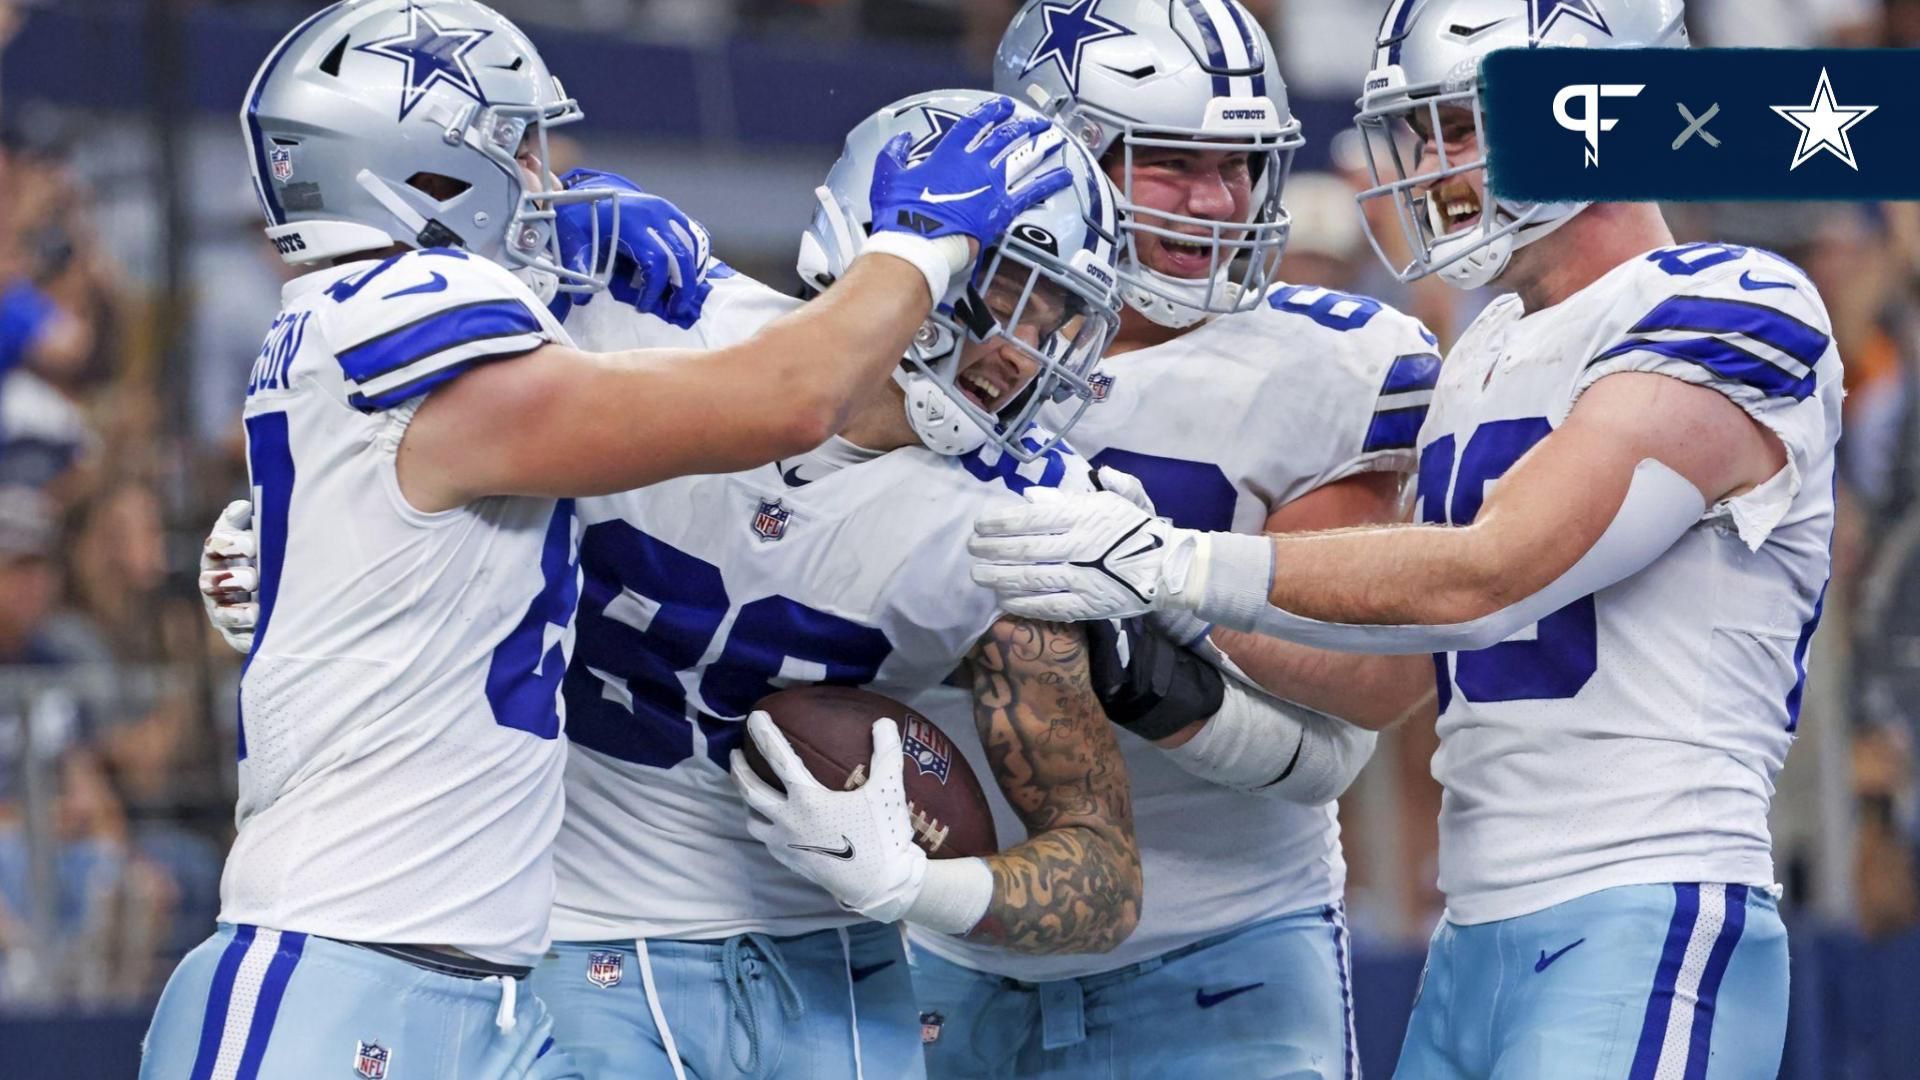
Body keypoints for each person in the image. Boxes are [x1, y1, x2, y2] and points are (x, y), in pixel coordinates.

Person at [144, 1, 1071, 1076]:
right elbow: (787, 400)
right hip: (339, 958)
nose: (551, 177)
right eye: (521, 146)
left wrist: (707, 286)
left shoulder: (364, 324)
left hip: (473, 982)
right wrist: (922, 241)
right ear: (422, 163)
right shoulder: (405, 302)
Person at [970, 2, 1838, 1077]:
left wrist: (1168, 564)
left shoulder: (1731, 301)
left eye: (1461, 130)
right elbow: (1389, 634)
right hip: (1478, 924)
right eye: (1420, 133)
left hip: (1648, 896)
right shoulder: (1485, 350)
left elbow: (1490, 577)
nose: (1428, 169)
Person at [906, 2, 1437, 1076]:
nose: (1221, 201)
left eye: (1240, 165)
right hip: (945, 946)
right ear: (1058, 154)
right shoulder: (920, 341)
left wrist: (1157, 590)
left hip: (1222, 940)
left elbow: (1378, 677)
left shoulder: (1320, 360)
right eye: (1175, 164)